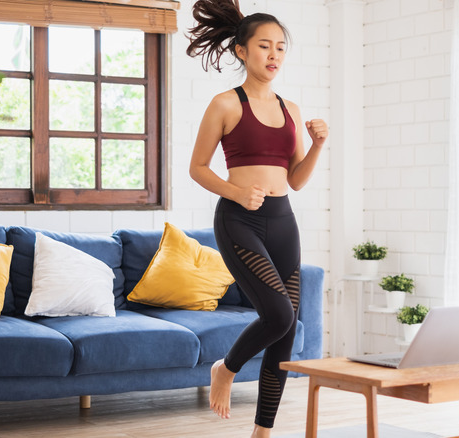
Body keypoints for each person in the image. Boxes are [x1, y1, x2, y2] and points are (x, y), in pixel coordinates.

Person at [186, 0, 328, 436]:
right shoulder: (225, 104)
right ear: (241, 51)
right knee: (279, 314)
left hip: (283, 219)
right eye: (264, 46)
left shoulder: (292, 110)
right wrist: (235, 192)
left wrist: (318, 145)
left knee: (284, 333)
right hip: (238, 220)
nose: (274, 55)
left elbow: (298, 180)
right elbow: (198, 167)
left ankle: (262, 431)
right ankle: (225, 370)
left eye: (281, 48)